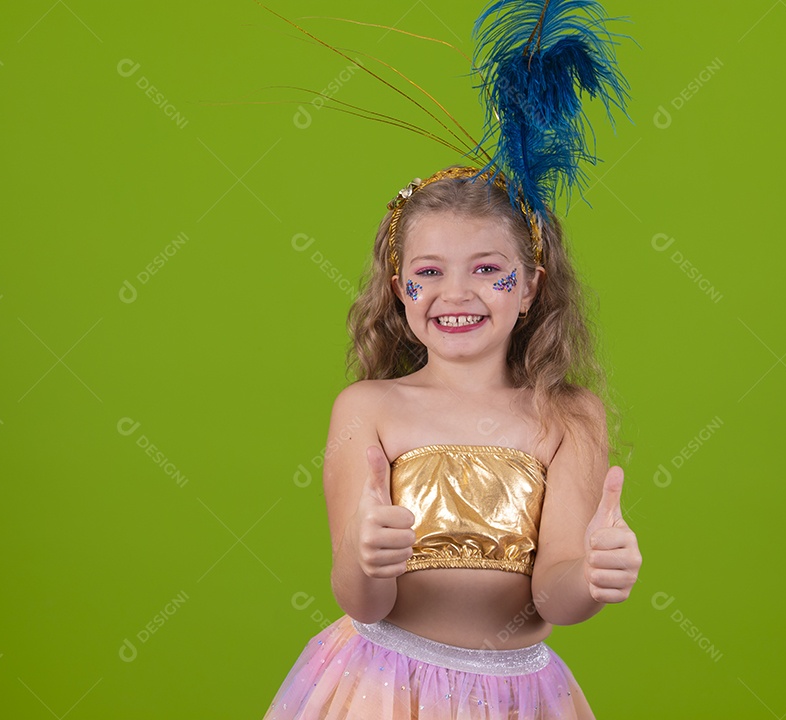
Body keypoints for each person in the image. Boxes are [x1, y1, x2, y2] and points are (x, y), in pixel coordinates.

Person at [262, 165, 642, 718]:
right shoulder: (369, 408)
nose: (455, 293)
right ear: (400, 290)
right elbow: (360, 600)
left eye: (488, 269)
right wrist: (369, 558)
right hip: (381, 690)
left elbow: (554, 598)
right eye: (429, 272)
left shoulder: (570, 417)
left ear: (531, 286)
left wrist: (591, 576)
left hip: (519, 699)